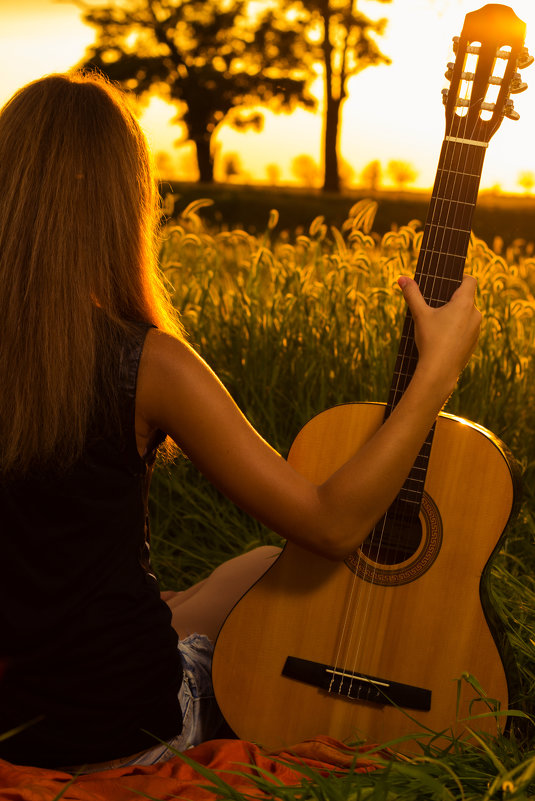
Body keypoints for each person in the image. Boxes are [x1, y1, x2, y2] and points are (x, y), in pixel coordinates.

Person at [0, 71, 481, 773]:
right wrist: (433, 376)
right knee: (276, 575)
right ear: (123, 203)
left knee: (252, 568)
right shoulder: (149, 362)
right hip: (115, 730)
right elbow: (327, 524)